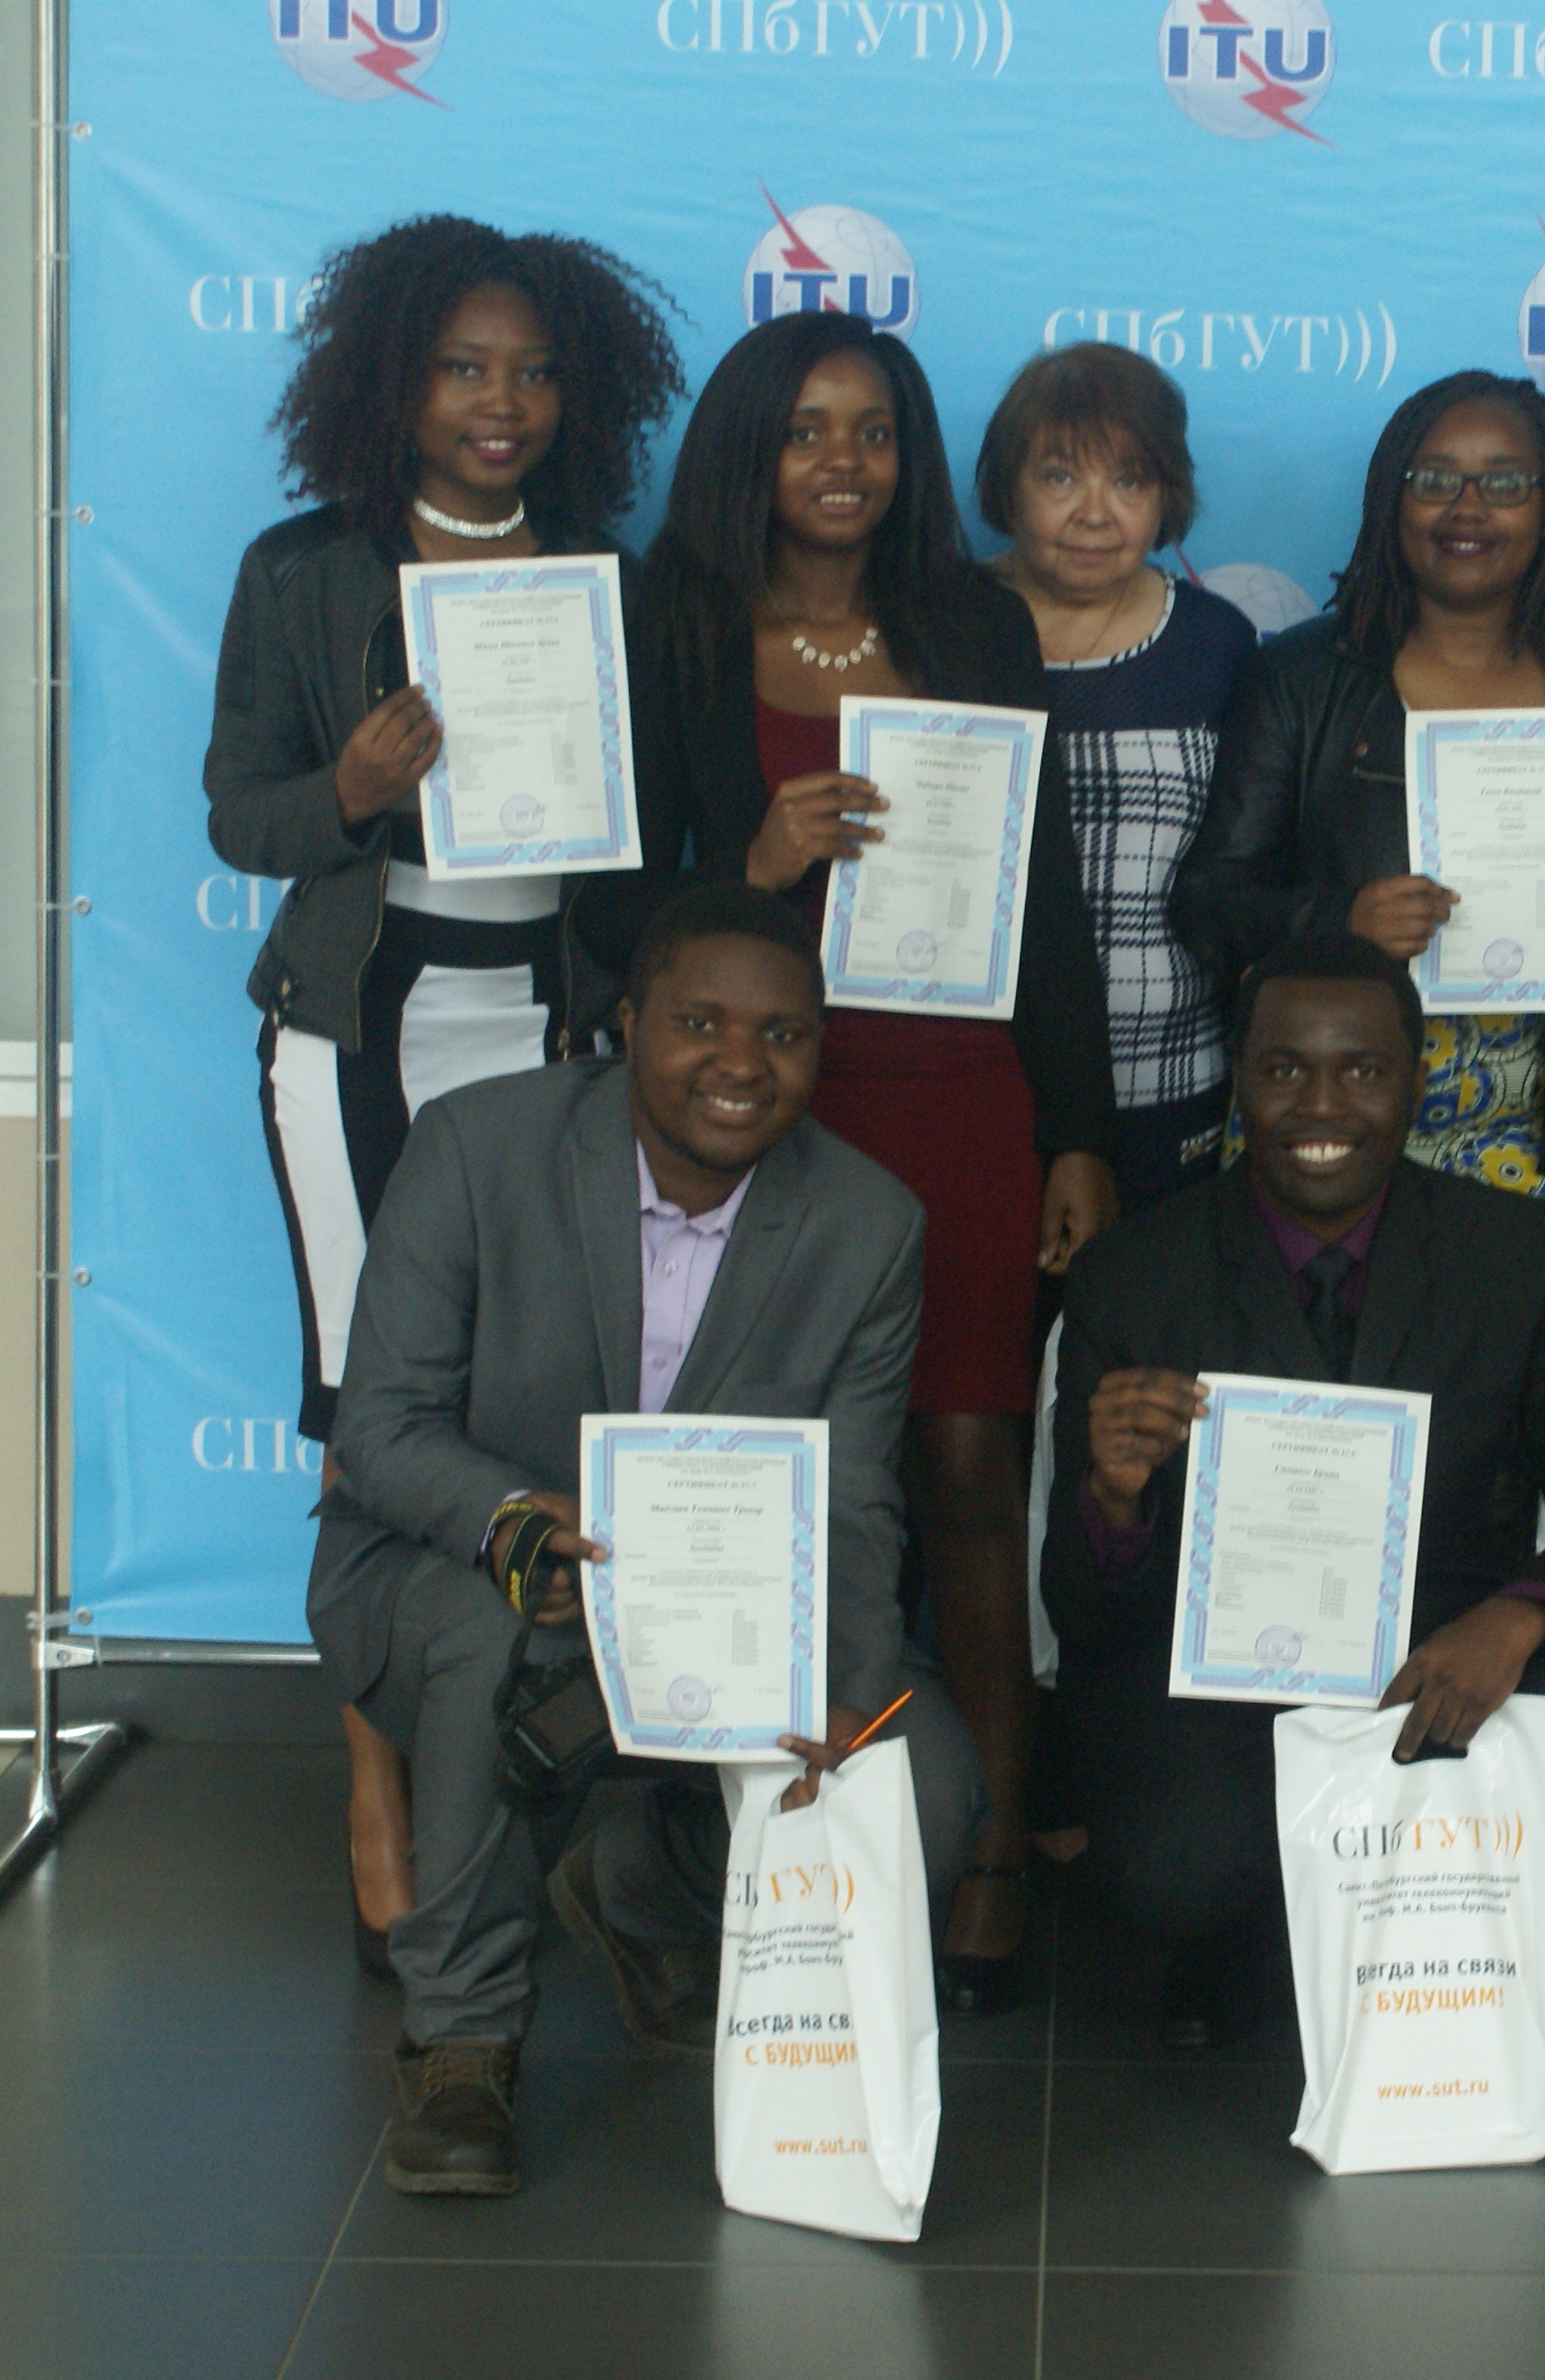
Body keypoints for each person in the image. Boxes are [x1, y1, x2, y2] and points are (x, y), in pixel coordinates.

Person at [597, 312, 1118, 2015]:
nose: (844, 461)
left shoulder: (968, 620)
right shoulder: (669, 624)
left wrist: (1078, 1125)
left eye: (875, 430)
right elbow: (604, 911)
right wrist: (746, 867)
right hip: (758, 1107)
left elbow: (1045, 889)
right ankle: (749, 1841)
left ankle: (991, 1848)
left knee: (968, 1467)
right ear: (748, 447)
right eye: (809, 428)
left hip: (960, 1090)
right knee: (775, 1479)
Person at [308, 883, 978, 2195]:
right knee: (497, 1638)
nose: (741, 1064)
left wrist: (848, 1695)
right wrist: (513, 1522)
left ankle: (647, 1890)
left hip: (729, 1612)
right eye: (699, 1024)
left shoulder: (868, 1224)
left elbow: (852, 1500)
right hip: (465, 1572)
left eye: (782, 1035)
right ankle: (461, 2041)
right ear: (628, 1024)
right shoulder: (474, 1147)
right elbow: (379, 1429)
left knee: (928, 1788)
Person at [200, 215, 684, 1986]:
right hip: (359, 1027)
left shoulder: (610, 578)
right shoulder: (303, 569)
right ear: (391, 381)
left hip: (551, 1029)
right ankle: (378, 1786)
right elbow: (237, 814)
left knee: (534, 1393)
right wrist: (345, 785)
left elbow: (649, 838)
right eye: (465, 367)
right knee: (366, 1398)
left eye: (536, 371)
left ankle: (529, 1753)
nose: (503, 401)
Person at [1040, 935, 1545, 2047]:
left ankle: (1416, 1937)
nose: (1320, 1104)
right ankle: (1243, 1939)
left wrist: (1515, 1619)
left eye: (1362, 1070)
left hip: (1442, 1663)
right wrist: (1114, 1502)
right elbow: (1080, 1613)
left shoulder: (1513, 1253)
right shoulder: (1134, 1274)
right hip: (1218, 1683)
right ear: (1238, 1080)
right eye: (1283, 1069)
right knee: (1176, 1861)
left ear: (1414, 1082)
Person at [1173, 370, 1545, 1258]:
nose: (1467, 507)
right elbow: (1208, 902)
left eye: (1505, 482)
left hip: (1542, 1143)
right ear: (1390, 500)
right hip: (1326, 1121)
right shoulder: (1303, 679)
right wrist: (1340, 919)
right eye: (1435, 478)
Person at [978, 343, 1261, 1212]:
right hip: (979, 1072)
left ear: (1167, 495)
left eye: (1130, 481)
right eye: (1060, 477)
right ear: (1008, 487)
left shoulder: (1216, 643)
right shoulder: (942, 622)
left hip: (1167, 1071)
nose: (1095, 514)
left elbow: (1246, 872)